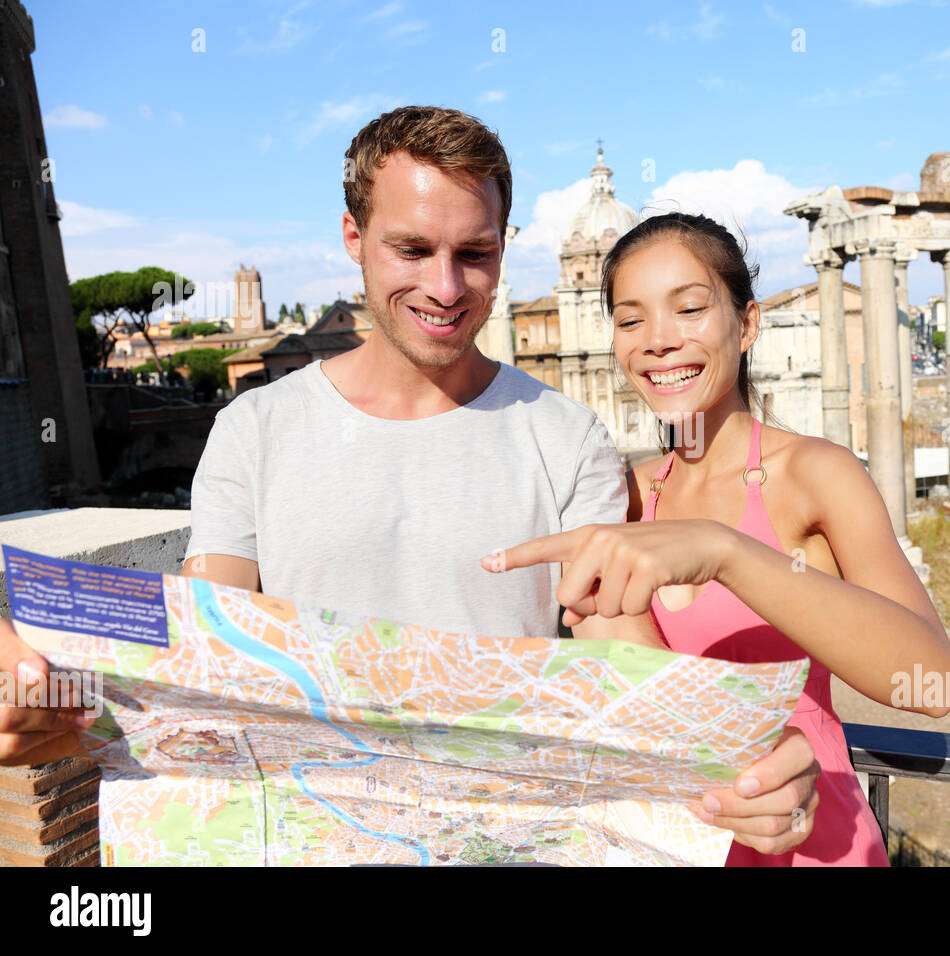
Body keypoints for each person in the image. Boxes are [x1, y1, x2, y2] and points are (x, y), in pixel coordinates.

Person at [0, 106, 820, 859]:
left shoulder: (568, 436)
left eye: (476, 253)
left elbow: (615, 645)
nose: (446, 287)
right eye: (413, 250)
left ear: (506, 245)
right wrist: (50, 692)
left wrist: (738, 755)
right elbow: (211, 647)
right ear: (353, 236)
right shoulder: (253, 429)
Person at [487, 213, 950, 865]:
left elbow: (930, 682)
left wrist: (726, 551)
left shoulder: (816, 474)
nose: (658, 340)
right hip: (676, 845)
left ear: (748, 324)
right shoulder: (619, 497)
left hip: (814, 843)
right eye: (631, 320)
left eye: (688, 309)